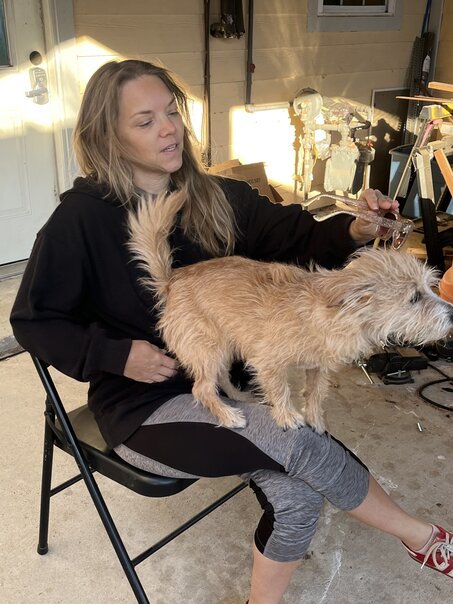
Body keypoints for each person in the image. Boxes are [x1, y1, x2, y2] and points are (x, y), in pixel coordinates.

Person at [10, 59, 452, 603]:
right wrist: (116, 355)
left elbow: (300, 238)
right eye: (145, 121)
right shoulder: (80, 221)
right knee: (302, 446)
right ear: (108, 136)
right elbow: (34, 321)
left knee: (299, 492)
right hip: (145, 404)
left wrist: (358, 228)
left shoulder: (218, 196)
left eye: (172, 113)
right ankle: (425, 540)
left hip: (237, 384)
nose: (168, 129)